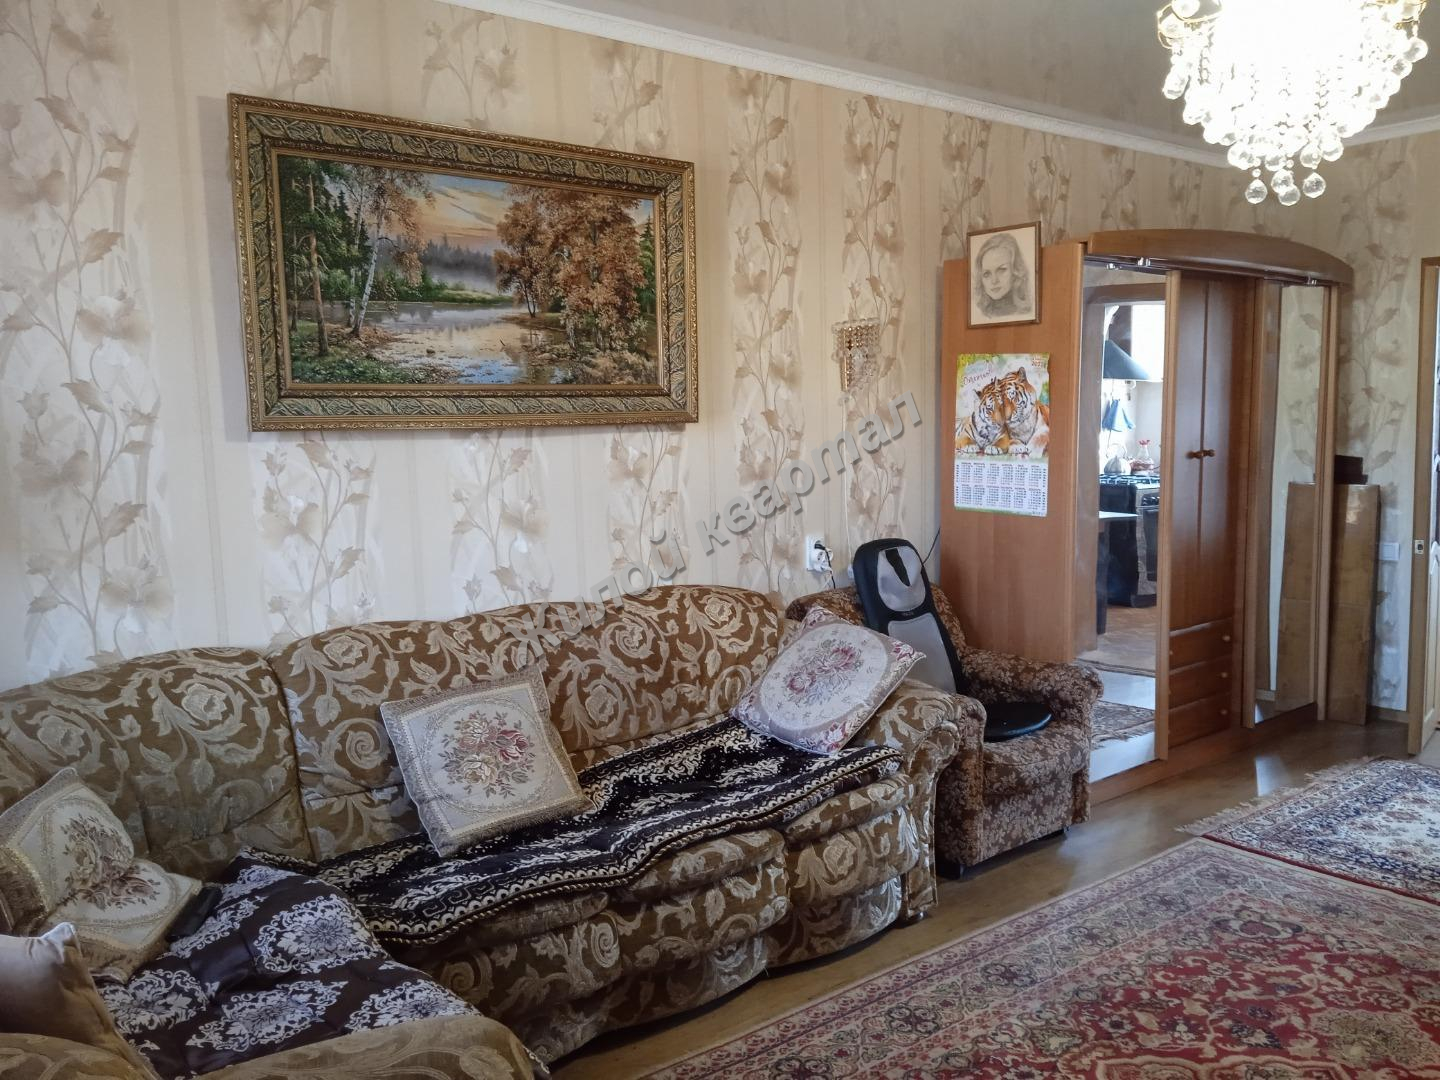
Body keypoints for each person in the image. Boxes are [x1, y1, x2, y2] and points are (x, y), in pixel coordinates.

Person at [973, 231, 1032, 320]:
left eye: (1001, 270)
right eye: (987, 274)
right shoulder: (982, 314)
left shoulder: (1026, 311)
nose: (994, 281)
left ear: (1016, 270)